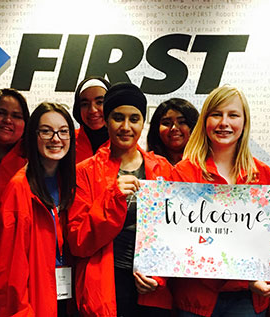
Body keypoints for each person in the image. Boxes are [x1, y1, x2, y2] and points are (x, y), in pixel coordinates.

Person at [171, 85, 270, 316]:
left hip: (247, 300)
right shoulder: (184, 172)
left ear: (244, 122)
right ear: (205, 121)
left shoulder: (263, 174)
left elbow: (264, 240)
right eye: (216, 114)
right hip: (196, 299)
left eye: (233, 115)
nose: (224, 123)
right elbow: (181, 242)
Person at [67, 83, 173, 316]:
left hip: (151, 287)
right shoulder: (85, 171)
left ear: (143, 123)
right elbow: (78, 242)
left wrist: (157, 276)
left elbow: (172, 236)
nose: (126, 127)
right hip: (107, 285)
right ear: (106, 120)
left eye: (134, 119)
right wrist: (113, 199)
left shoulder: (162, 168)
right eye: (118, 118)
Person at [0, 102, 76, 316]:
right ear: (33, 136)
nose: (55, 138)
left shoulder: (71, 183)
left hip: (66, 295)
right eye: (46, 131)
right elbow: (11, 268)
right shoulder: (19, 188)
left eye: (63, 131)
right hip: (35, 301)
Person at [147, 98, 199, 165]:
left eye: (182, 122)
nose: (174, 128)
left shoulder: (205, 165)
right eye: (166, 123)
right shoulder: (146, 163)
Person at [72, 76, 111, 163]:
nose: (92, 110)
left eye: (100, 102)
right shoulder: (68, 140)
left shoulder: (122, 142)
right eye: (85, 104)